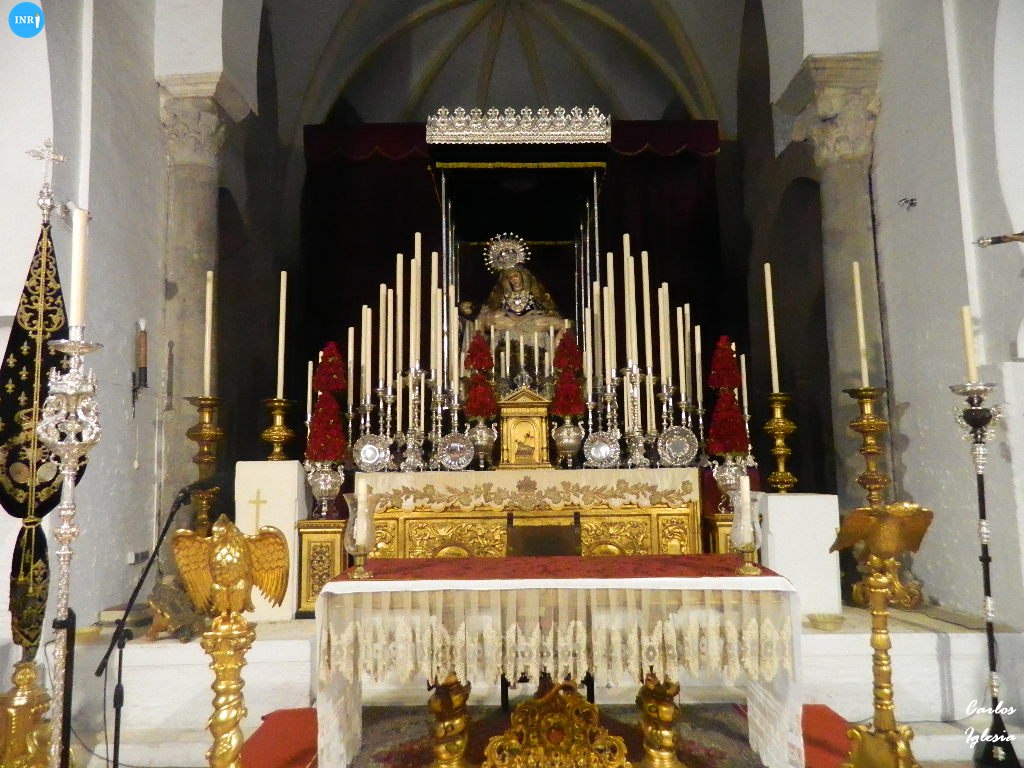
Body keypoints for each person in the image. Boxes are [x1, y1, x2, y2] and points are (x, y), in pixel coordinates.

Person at [478, 265, 561, 335]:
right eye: (510, 277)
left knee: (548, 322)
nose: (513, 279)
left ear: (522, 275)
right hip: (508, 324)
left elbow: (548, 310)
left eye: (515, 276)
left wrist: (527, 318)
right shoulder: (502, 296)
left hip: (531, 324)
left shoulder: (533, 293)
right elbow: (490, 311)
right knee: (485, 318)